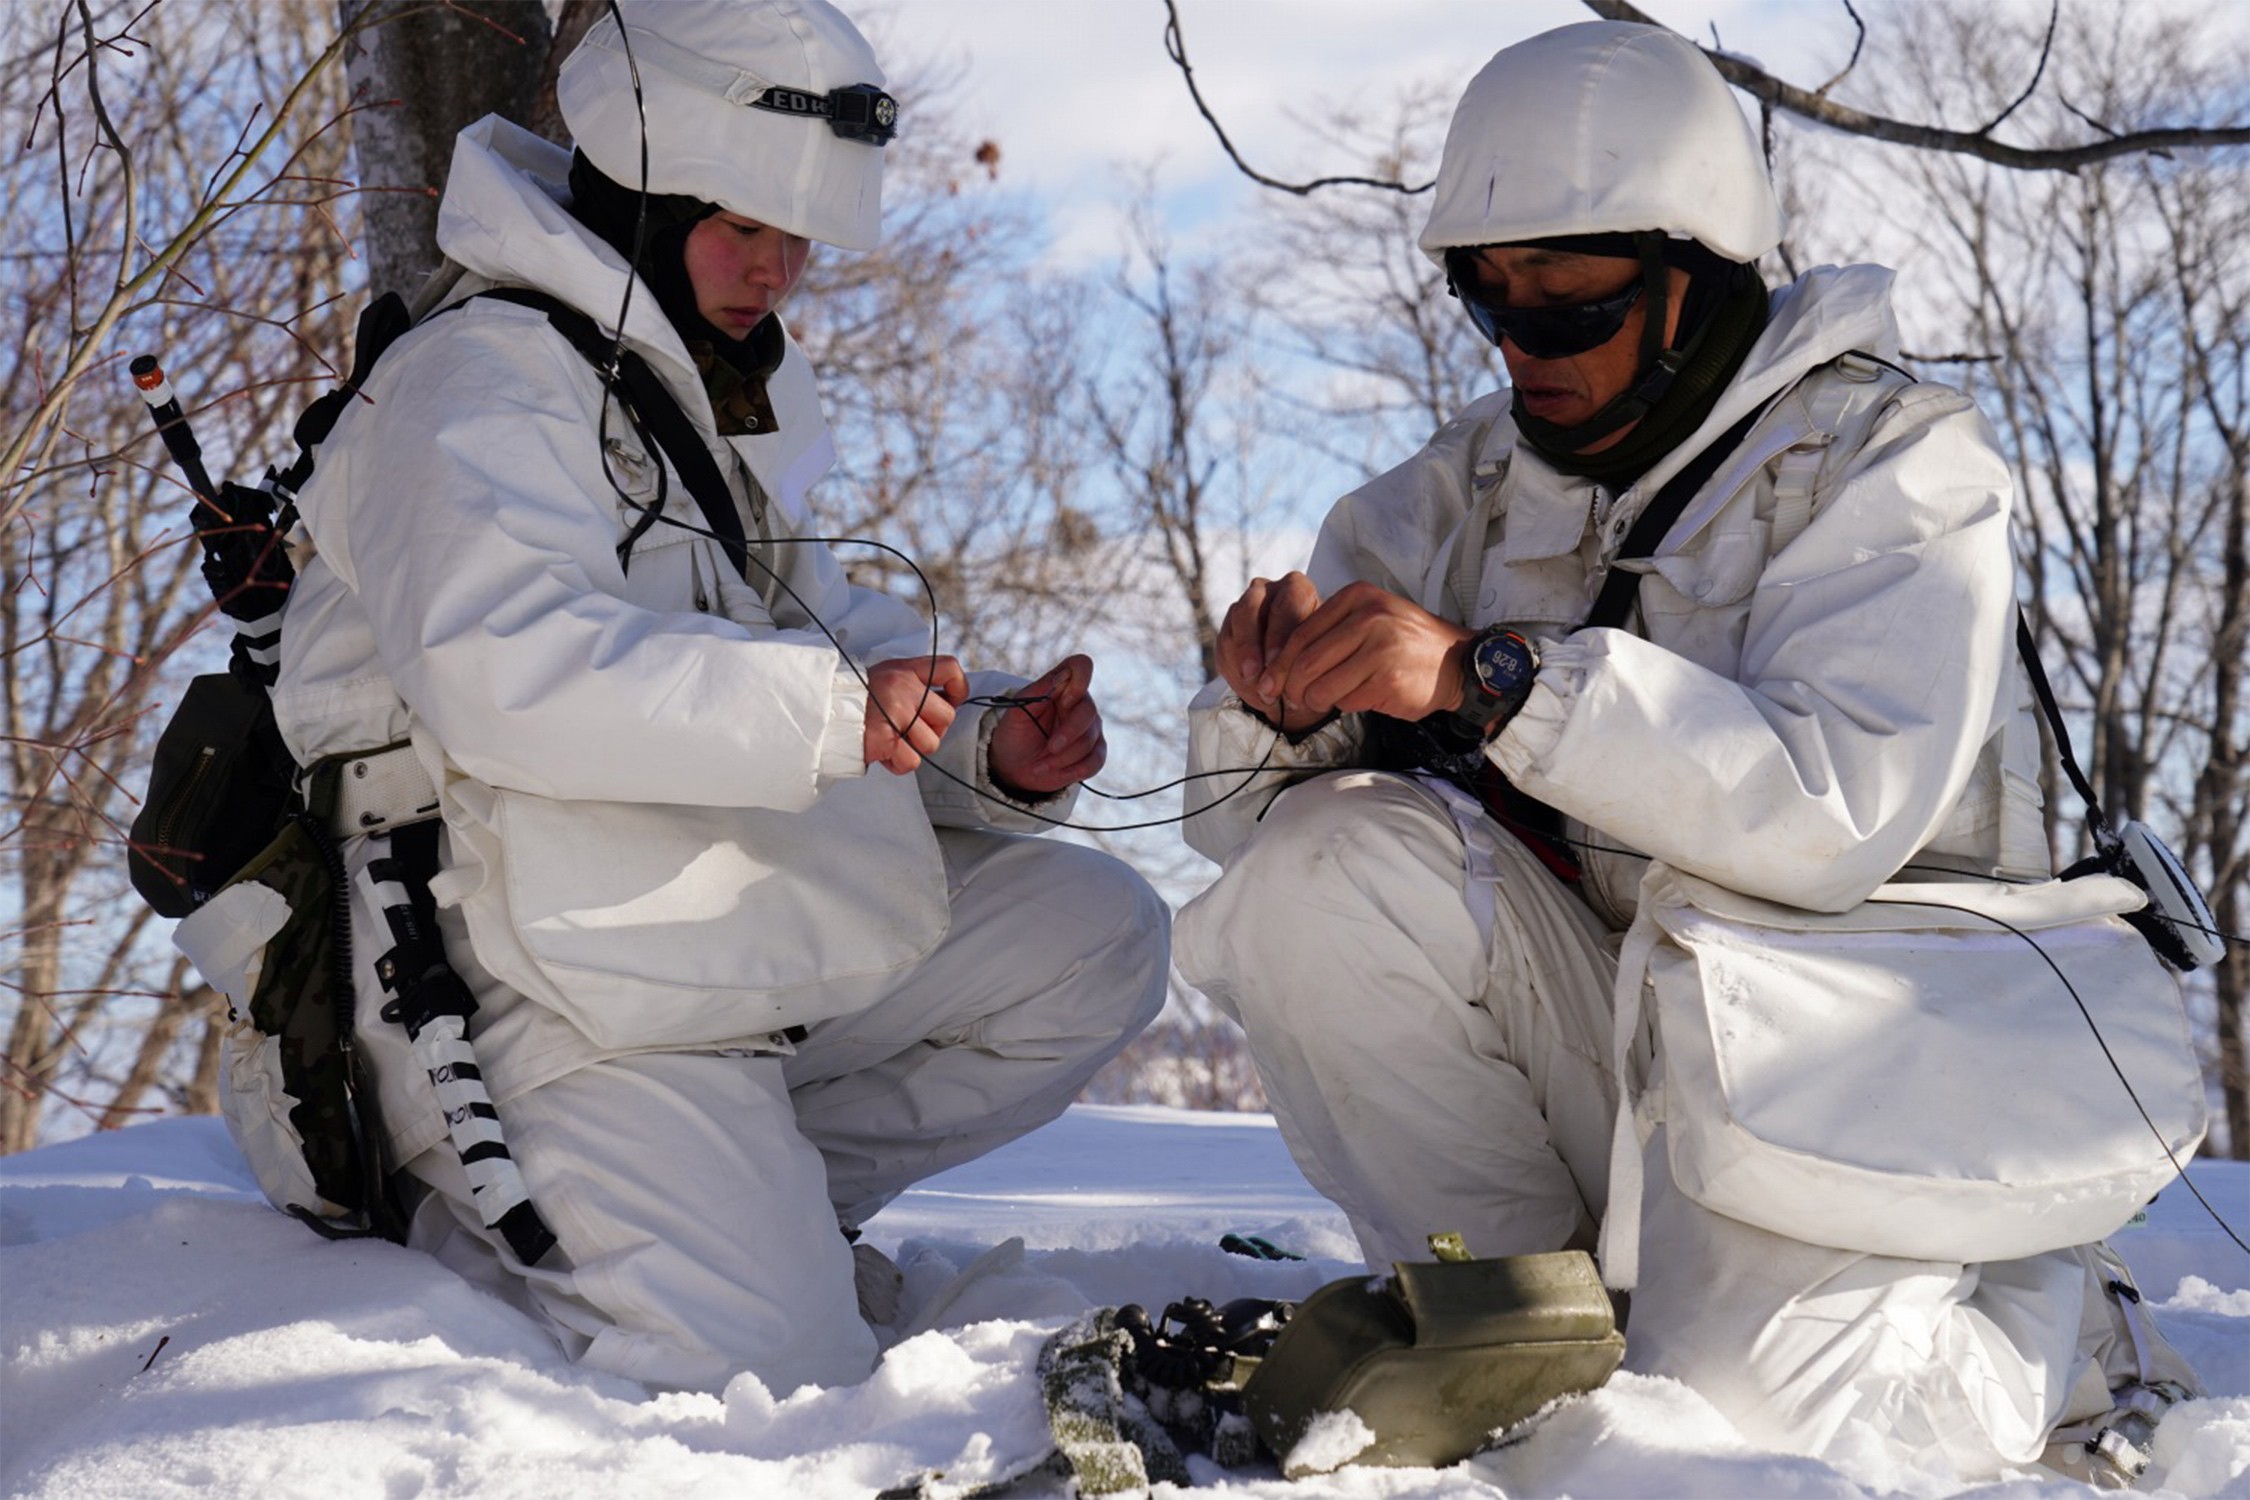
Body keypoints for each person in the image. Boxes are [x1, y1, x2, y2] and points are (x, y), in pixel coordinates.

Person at [1174, 21, 2197, 1481]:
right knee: (1318, 866)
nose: (1519, 347)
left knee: (1764, 1444)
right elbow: (1241, 836)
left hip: (1858, 1066)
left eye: (1568, 308)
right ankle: (1514, 1335)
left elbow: (1834, 808)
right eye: (1488, 298)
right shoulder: (1462, 491)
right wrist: (1281, 710)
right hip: (1621, 1039)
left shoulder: (1893, 461)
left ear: (1695, 277)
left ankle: (2050, 1316)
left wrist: (1490, 680)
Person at [267, 0, 1165, 1396]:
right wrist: (829, 715)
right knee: (771, 1383)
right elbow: (508, 673)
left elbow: (827, 643)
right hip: (510, 976)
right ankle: (497, 1240)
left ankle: (749, 1209)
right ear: (641, 194)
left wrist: (988, 743)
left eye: (796, 237)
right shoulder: (471, 380)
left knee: (1091, 934)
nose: (775, 269)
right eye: (742, 226)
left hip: (687, 922)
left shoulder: (689, 395)